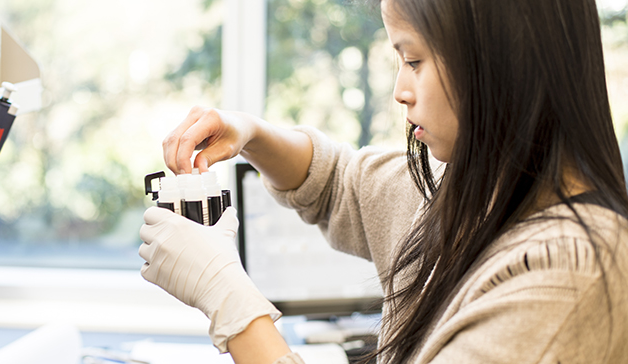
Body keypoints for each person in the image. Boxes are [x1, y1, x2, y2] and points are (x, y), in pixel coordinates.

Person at [138, 0, 628, 363]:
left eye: (413, 61)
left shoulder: (574, 277)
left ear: (500, 63)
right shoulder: (469, 191)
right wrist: (250, 133)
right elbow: (336, 183)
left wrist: (231, 304)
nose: (399, 91)